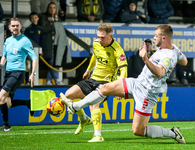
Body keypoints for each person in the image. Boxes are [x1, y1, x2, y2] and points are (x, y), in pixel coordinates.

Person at [60, 24, 188, 144]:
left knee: (138, 130)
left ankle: (172, 133)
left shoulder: (168, 55)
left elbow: (160, 72)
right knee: (105, 88)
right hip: (137, 83)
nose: (154, 38)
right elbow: (185, 62)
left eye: (156, 36)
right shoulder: (173, 49)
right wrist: (177, 57)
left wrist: (145, 58)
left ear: (164, 38)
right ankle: (75, 106)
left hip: (147, 93)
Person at [62, 23, 128, 142]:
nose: (99, 39)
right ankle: (84, 119)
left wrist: (120, 88)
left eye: (102, 37)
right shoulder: (96, 43)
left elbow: (123, 69)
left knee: (94, 104)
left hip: (106, 83)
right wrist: (88, 70)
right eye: (98, 36)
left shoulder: (117, 49)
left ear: (110, 37)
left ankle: (98, 136)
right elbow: (95, 57)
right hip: (93, 78)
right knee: (68, 95)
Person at [0, 18, 38, 131]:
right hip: (8, 73)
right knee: (8, 103)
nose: (15, 27)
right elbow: (4, 56)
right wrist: (1, 64)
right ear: (9, 27)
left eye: (17, 25)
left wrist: (33, 73)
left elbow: (34, 58)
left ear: (20, 27)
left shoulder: (25, 41)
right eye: (13, 26)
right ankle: (28, 103)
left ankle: (6, 126)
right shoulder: (7, 40)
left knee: (1, 96)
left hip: (18, 73)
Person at [38, 2, 69, 85]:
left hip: (57, 43)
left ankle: (48, 80)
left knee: (55, 61)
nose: (52, 9)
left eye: (54, 7)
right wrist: (54, 26)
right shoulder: (44, 17)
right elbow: (43, 29)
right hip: (47, 43)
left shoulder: (58, 18)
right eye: (50, 7)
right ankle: (57, 79)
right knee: (52, 62)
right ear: (48, 9)